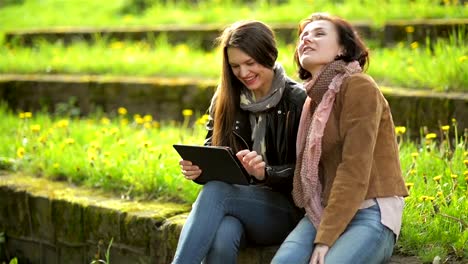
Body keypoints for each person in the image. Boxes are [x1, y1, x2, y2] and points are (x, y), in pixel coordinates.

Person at [271, 13, 409, 264]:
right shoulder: (313, 101)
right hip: (322, 210)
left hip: (370, 211)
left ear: (343, 48)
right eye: (303, 36)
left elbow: (354, 169)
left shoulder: (359, 87)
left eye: (319, 33)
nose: (306, 40)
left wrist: (326, 239)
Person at [172, 20, 306, 264]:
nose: (243, 73)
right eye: (235, 66)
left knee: (216, 191)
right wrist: (197, 170)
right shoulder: (225, 98)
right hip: (237, 203)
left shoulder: (296, 99)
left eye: (250, 63)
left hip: (285, 209)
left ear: (270, 55)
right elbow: (212, 151)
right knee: (223, 236)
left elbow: (309, 171)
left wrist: (266, 173)